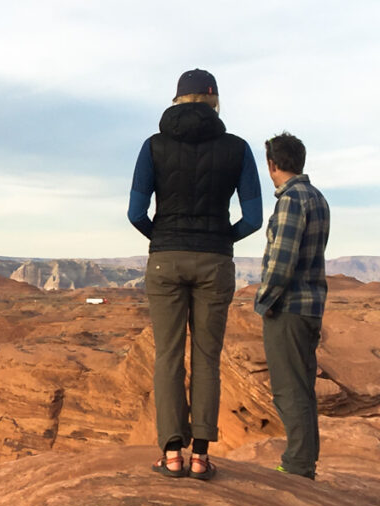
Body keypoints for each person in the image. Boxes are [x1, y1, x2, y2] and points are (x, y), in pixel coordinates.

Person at [128, 69, 262, 480]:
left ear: (178, 99)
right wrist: (223, 239)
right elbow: (254, 218)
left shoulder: (153, 146)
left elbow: (135, 213)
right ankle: (201, 456)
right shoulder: (237, 148)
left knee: (168, 356)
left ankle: (171, 455)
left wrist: (164, 239)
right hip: (215, 262)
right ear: (214, 99)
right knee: (207, 358)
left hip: (166, 260)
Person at [255, 132, 329, 480]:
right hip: (311, 305)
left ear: (272, 165)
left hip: (290, 309)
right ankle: (305, 461)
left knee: (289, 388)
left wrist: (265, 300)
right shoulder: (316, 197)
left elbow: (282, 261)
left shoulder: (291, 200)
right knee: (302, 387)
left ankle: (298, 466)